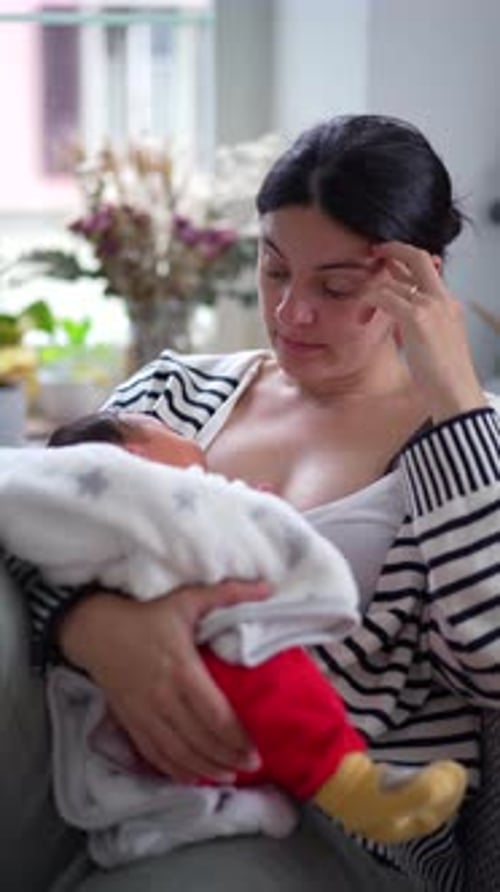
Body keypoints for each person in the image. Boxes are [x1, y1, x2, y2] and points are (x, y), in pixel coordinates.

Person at [6, 113, 500, 892]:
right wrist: (93, 624)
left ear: (421, 279)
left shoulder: (475, 443)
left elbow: (491, 660)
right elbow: (32, 516)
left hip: (324, 815)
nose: (291, 312)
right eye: (275, 270)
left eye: (337, 286)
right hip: (95, 752)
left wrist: (455, 404)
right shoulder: (175, 392)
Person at [12, 409, 461, 865]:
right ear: (133, 457)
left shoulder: (459, 428)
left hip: (329, 811)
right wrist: (83, 619)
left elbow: (487, 651)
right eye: (161, 427)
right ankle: (343, 780)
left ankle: (346, 783)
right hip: (126, 713)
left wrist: (249, 515)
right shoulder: (164, 412)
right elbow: (38, 508)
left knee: (263, 664)